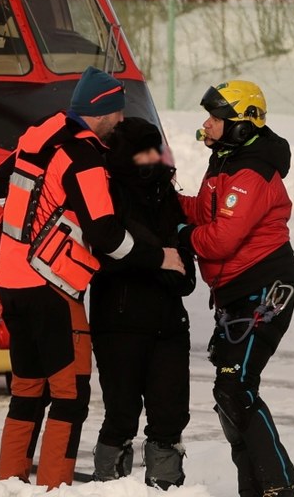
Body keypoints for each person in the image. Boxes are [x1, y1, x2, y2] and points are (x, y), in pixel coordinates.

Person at [0, 66, 185, 488]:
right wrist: (160, 258)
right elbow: (108, 237)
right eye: (116, 114)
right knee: (69, 396)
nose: (119, 122)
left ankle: (9, 484)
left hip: (10, 280)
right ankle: (55, 485)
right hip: (51, 285)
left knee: (27, 391)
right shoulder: (85, 158)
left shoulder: (38, 136)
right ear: (101, 112)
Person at [177, 81, 294, 497]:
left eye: (215, 119)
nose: (206, 125)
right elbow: (203, 210)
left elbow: (220, 239)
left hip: (265, 290)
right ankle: (259, 486)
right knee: (229, 391)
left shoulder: (250, 171)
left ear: (240, 124)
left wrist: (180, 236)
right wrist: (161, 194)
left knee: (236, 386)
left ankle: (281, 486)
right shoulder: (225, 161)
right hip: (237, 293)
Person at [89, 117, 196, 489]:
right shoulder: (107, 194)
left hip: (168, 325)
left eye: (158, 149)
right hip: (119, 321)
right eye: (145, 151)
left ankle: (166, 487)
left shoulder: (166, 196)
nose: (156, 158)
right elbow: (104, 251)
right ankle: (109, 486)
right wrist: (155, 261)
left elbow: (184, 264)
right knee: (121, 416)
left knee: (169, 417)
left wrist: (180, 271)